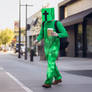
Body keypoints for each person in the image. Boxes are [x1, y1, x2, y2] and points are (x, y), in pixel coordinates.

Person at [34, 8, 68, 88]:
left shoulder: (57, 23)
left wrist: (57, 34)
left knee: (50, 63)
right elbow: (41, 34)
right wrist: (37, 40)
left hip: (54, 47)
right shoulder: (44, 24)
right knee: (51, 63)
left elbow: (65, 33)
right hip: (47, 47)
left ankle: (48, 82)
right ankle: (58, 78)